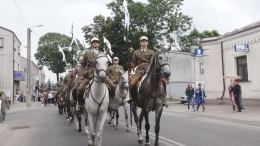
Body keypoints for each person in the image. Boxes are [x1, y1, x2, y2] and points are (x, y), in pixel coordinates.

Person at [77, 37, 116, 113]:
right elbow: (82, 65)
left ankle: (111, 104)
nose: (95, 43)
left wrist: (106, 71)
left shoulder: (102, 54)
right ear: (91, 44)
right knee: (81, 88)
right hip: (90, 74)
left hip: (101, 73)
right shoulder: (87, 53)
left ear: (98, 44)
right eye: (94, 42)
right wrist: (84, 72)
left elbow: (106, 64)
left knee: (113, 86)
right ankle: (80, 105)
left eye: (96, 42)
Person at [129, 36, 168, 107]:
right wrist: (130, 65)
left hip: (150, 71)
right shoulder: (136, 52)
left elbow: (154, 62)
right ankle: (133, 101)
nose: (144, 42)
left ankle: (163, 99)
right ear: (140, 43)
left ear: (147, 43)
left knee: (164, 81)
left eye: (145, 41)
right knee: (132, 84)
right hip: (139, 71)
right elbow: (134, 63)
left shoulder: (151, 52)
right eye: (142, 41)